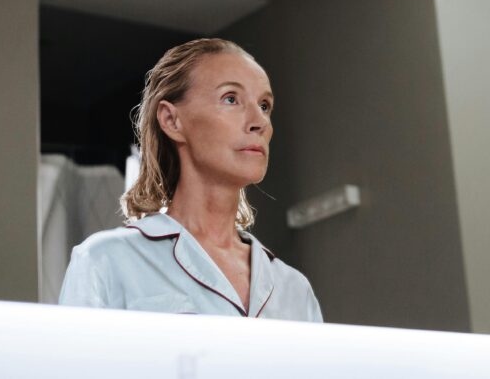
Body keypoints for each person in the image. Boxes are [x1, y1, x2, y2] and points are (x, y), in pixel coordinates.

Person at [59, 38, 322, 322]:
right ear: (171, 120)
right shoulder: (104, 261)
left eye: (265, 105)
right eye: (231, 99)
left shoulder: (295, 290)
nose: (260, 122)